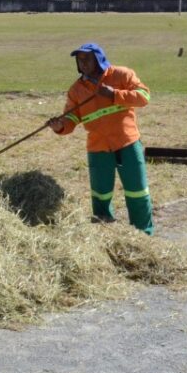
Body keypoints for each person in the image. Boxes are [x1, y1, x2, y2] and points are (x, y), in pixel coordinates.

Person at [46, 43, 154, 235]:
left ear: (99, 58)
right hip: (97, 148)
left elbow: (143, 97)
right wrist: (60, 126)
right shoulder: (76, 90)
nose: (83, 63)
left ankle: (143, 234)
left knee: (137, 192)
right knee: (100, 195)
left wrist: (114, 94)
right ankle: (105, 232)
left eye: (87, 58)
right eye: (80, 60)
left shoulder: (121, 75)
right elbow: (71, 117)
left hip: (127, 143)